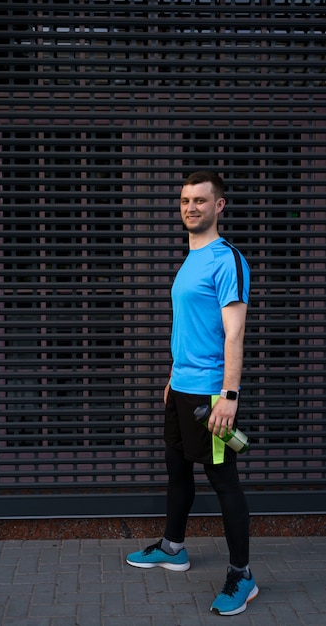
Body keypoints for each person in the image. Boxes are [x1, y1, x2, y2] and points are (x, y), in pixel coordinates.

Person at [126, 171, 259, 616]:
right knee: (177, 472)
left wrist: (230, 394)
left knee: (224, 483)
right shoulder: (191, 257)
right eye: (185, 200)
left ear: (219, 206)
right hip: (181, 387)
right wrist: (171, 374)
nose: (191, 207)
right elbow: (190, 327)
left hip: (210, 397)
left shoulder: (227, 259)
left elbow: (233, 335)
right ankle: (173, 547)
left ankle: (242, 576)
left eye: (201, 200)